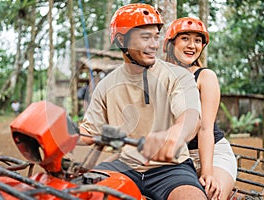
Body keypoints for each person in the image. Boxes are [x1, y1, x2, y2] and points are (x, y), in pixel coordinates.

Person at [78, 4, 207, 200]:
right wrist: (64, 134)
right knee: (79, 191)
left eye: (156, 37)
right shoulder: (105, 86)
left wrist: (174, 135)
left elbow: (190, 117)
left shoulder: (178, 76)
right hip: (123, 166)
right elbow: (89, 132)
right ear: (122, 40)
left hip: (171, 169)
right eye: (145, 37)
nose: (154, 45)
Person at [163, 17, 237, 200]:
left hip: (212, 154)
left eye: (197, 41)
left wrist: (208, 171)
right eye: (185, 38)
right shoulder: (160, 77)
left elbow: (205, 129)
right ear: (171, 43)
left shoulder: (204, 77)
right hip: (178, 157)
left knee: (211, 194)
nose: (192, 45)